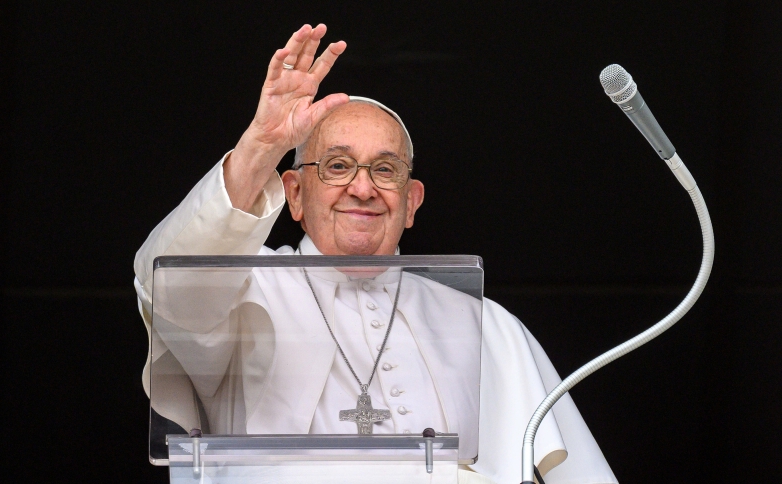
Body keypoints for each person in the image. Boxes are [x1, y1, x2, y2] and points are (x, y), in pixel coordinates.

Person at [134, 23, 617, 484]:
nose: (362, 188)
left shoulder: (485, 323)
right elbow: (168, 290)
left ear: (411, 203)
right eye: (338, 165)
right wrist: (260, 147)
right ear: (296, 194)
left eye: (386, 170)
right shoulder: (238, 292)